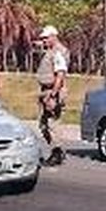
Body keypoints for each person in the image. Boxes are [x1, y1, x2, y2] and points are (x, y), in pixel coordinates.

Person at [36, 25, 69, 166]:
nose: (43, 41)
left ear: (53, 37)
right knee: (43, 124)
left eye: (45, 38)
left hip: (52, 91)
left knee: (52, 124)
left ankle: (57, 153)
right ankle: (57, 150)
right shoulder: (50, 51)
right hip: (46, 90)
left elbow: (60, 74)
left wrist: (53, 95)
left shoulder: (58, 52)